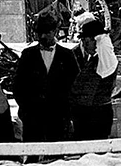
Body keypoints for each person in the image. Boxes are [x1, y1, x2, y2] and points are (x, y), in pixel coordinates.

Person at [11, 11, 80, 141]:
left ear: (55, 31)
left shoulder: (67, 55)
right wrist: (26, 110)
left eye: (47, 32)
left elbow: (75, 86)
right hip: (33, 119)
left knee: (57, 158)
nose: (43, 36)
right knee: (33, 157)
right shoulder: (28, 55)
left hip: (59, 118)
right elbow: (18, 86)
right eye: (39, 33)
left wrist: (68, 113)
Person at [69, 16, 118, 140]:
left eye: (86, 42)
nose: (84, 46)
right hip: (87, 115)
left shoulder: (105, 61)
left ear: (96, 41)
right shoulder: (95, 59)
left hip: (96, 116)